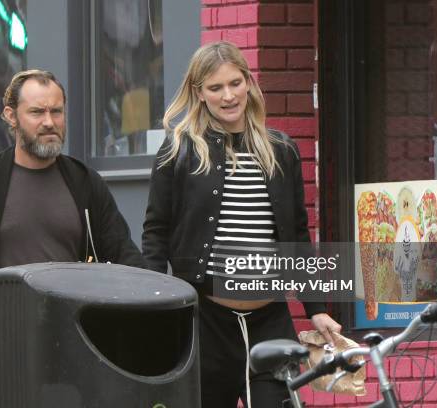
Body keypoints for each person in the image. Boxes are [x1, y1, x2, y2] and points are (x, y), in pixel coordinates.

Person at [142, 42, 342, 407]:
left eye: (235, 83)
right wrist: (154, 305)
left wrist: (316, 308)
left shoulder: (281, 149)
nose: (228, 95)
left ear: (248, 82)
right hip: (207, 323)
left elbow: (296, 235)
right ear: (199, 93)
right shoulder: (179, 151)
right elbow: (156, 233)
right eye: (215, 88)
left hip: (271, 321)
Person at [0, 69, 145, 385]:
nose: (49, 122)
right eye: (37, 112)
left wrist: (154, 299)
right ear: (11, 116)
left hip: (73, 346)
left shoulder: (85, 185)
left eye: (56, 111)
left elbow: (123, 252)